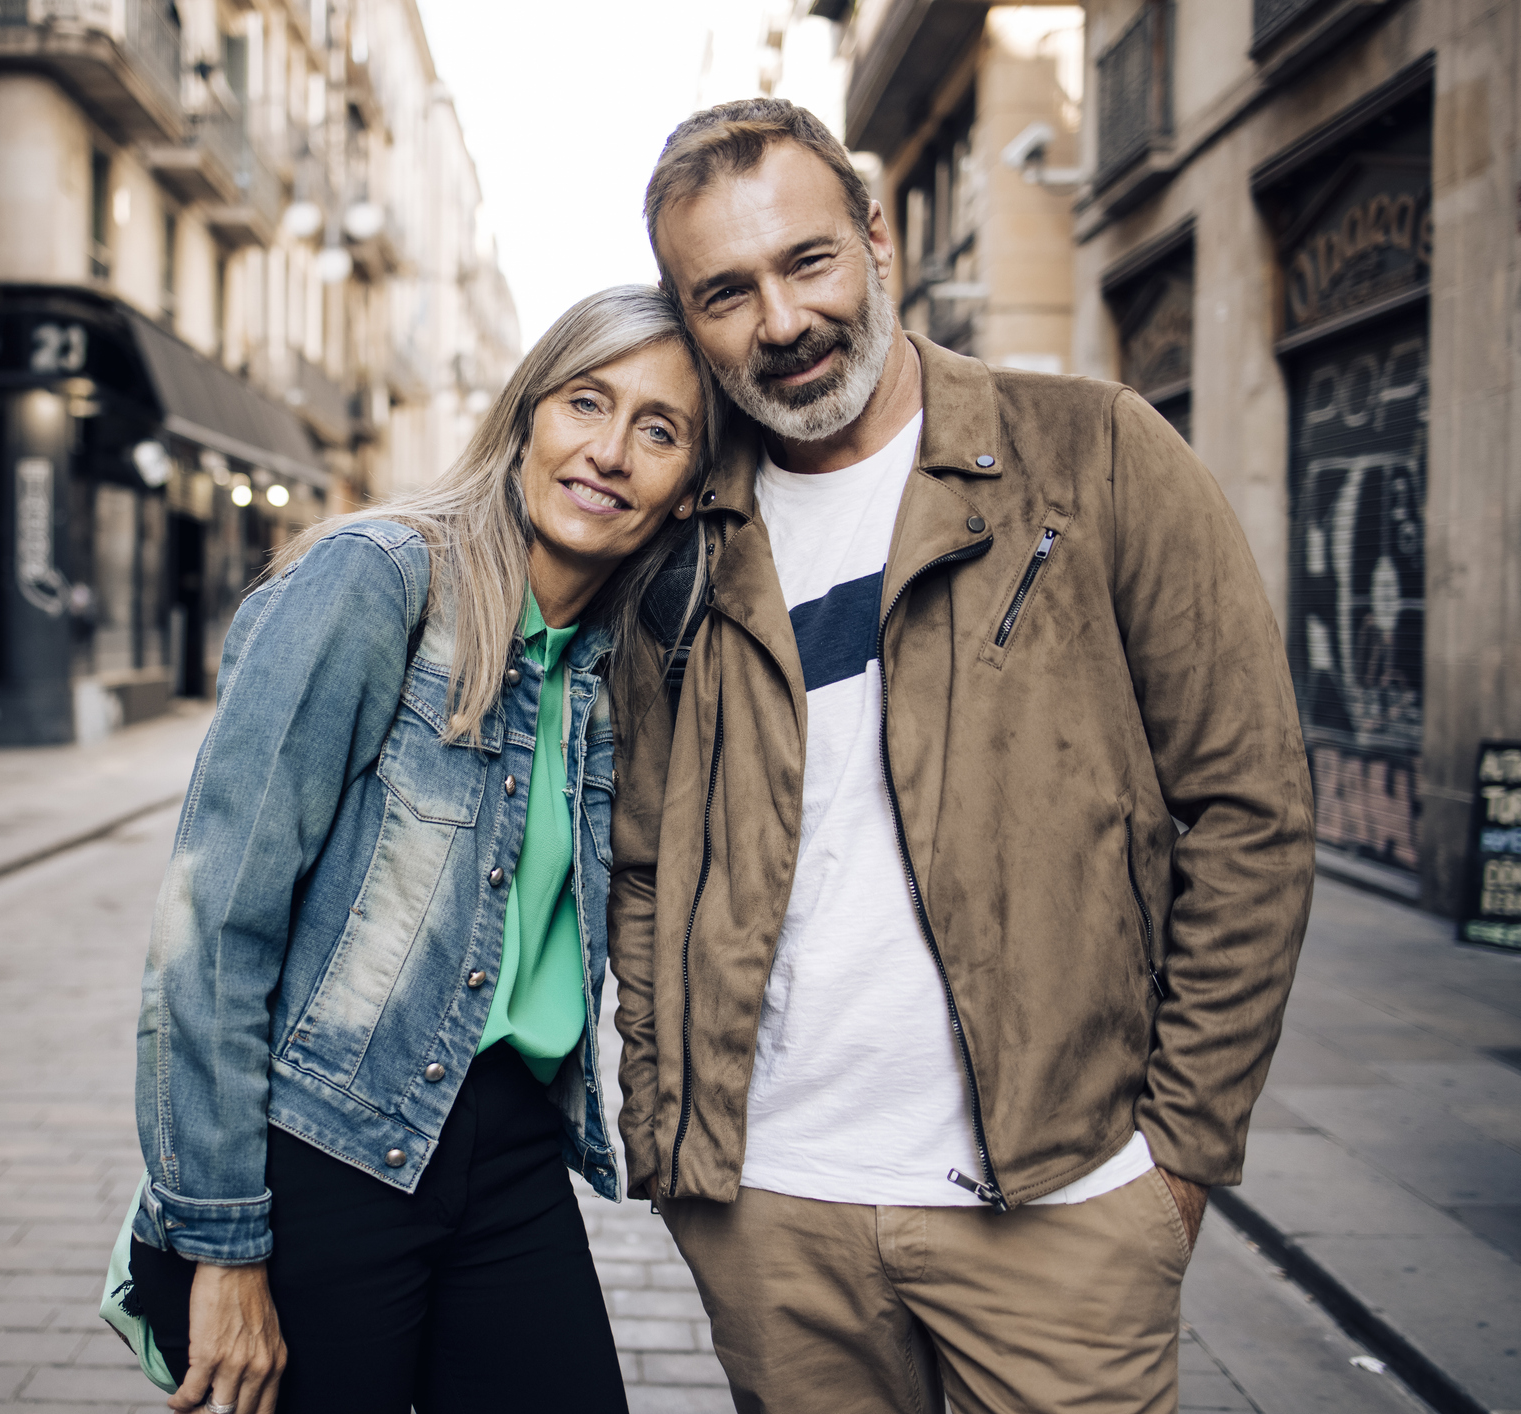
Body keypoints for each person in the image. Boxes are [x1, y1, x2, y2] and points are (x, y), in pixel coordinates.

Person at [608, 99, 1316, 1413]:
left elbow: (1248, 806)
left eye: (807, 261)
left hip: (1059, 1207)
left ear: (877, 238)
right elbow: (645, 863)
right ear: (686, 315)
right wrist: (672, 1135)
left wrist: (1180, 1158)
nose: (780, 321)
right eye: (725, 292)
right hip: (774, 1214)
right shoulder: (682, 541)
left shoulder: (1092, 453)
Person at [128, 286, 720, 1414]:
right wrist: (222, 1244)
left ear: (688, 484)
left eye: (658, 428)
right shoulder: (378, 580)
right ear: (524, 415)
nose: (607, 451)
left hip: (506, 1143)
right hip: (323, 1153)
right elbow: (211, 922)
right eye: (585, 402)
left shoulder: (613, 668)